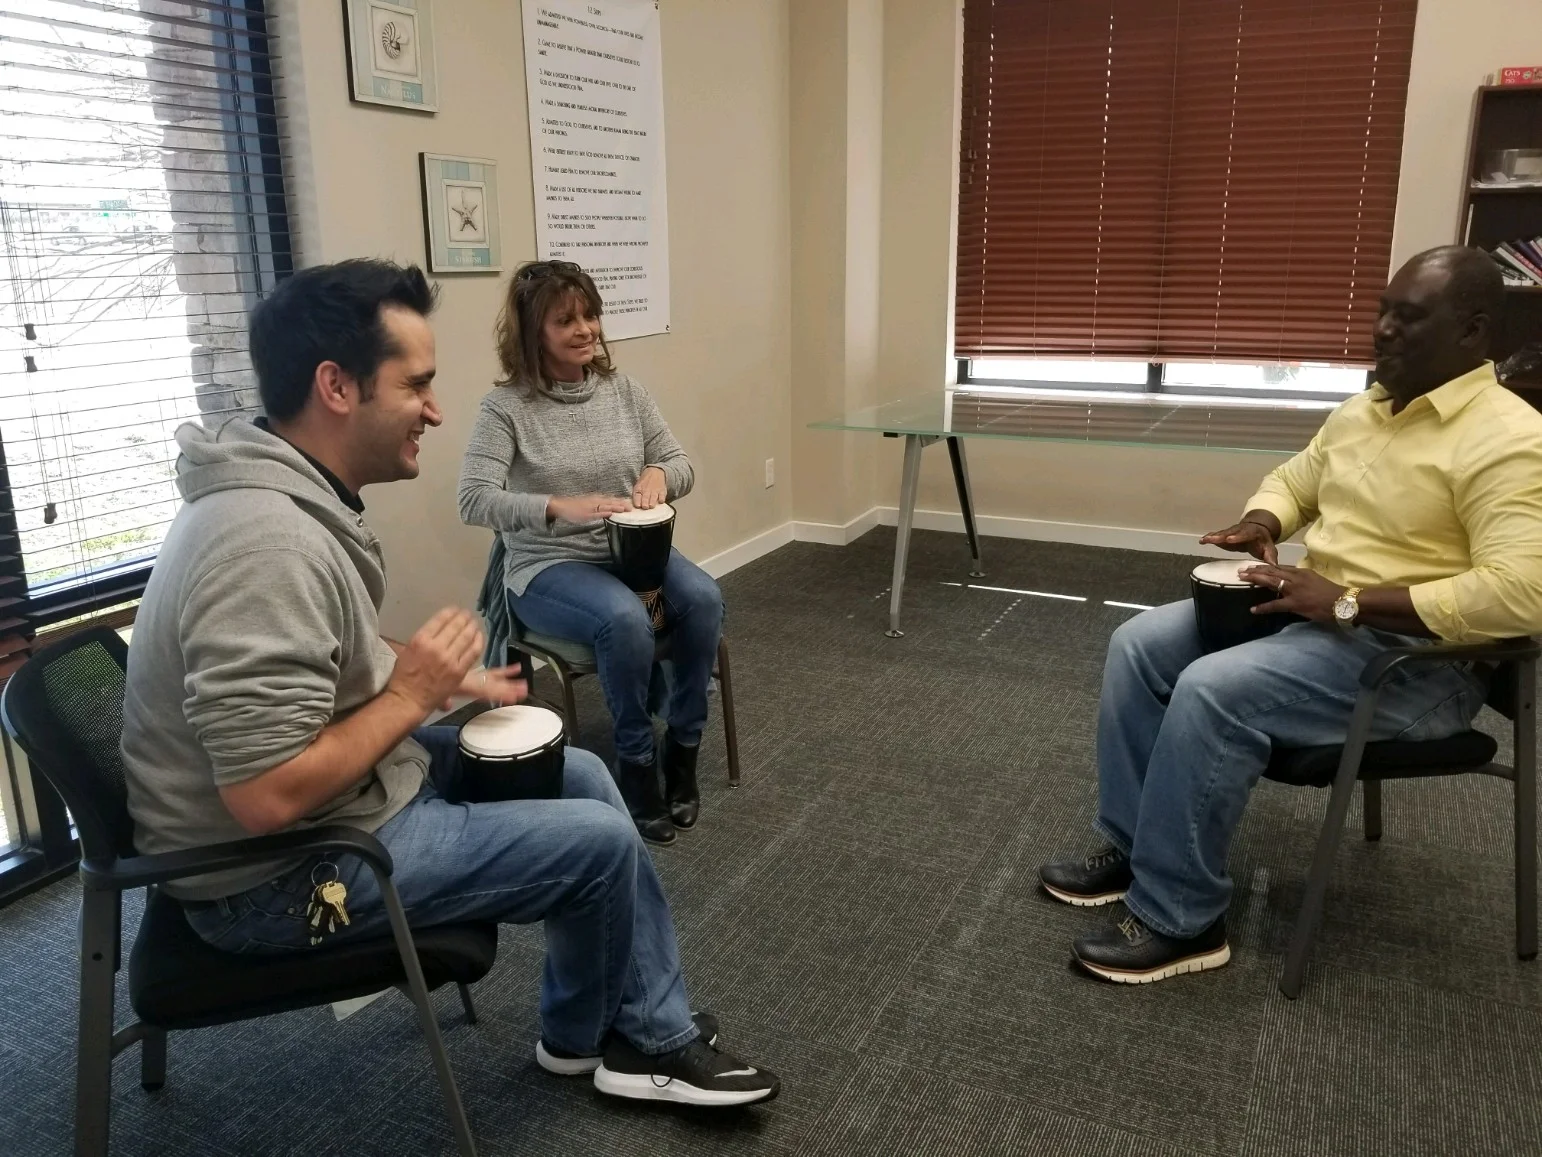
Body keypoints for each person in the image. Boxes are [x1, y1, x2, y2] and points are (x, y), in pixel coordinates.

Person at [119, 259, 779, 1107]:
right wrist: (411, 695)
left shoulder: (288, 498)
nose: (435, 409)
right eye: (417, 384)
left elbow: (328, 653)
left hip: (350, 799)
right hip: (277, 878)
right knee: (603, 842)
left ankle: (587, 1036)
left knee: (580, 772)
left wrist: (429, 675)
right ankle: (651, 1041)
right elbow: (263, 796)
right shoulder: (265, 546)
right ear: (336, 387)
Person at [1039, 246, 1542, 984]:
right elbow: (1297, 480)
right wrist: (1262, 519)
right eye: (1382, 312)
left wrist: (1345, 600)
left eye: (1408, 318)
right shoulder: (1369, 409)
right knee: (1137, 643)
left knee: (1213, 688)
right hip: (1321, 618)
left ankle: (1182, 918)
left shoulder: (1511, 439)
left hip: (1416, 666)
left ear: (1472, 331)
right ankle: (1136, 846)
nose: (1382, 330)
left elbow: (1521, 592)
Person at [458, 260, 723, 846]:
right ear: (533, 332)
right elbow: (473, 499)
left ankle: (682, 749)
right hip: (547, 565)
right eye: (566, 320)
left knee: (704, 599)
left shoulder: (625, 392)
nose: (585, 330)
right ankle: (636, 767)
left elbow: (679, 463)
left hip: (630, 552)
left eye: (590, 315)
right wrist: (556, 506)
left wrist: (661, 473)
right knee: (624, 618)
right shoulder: (505, 408)